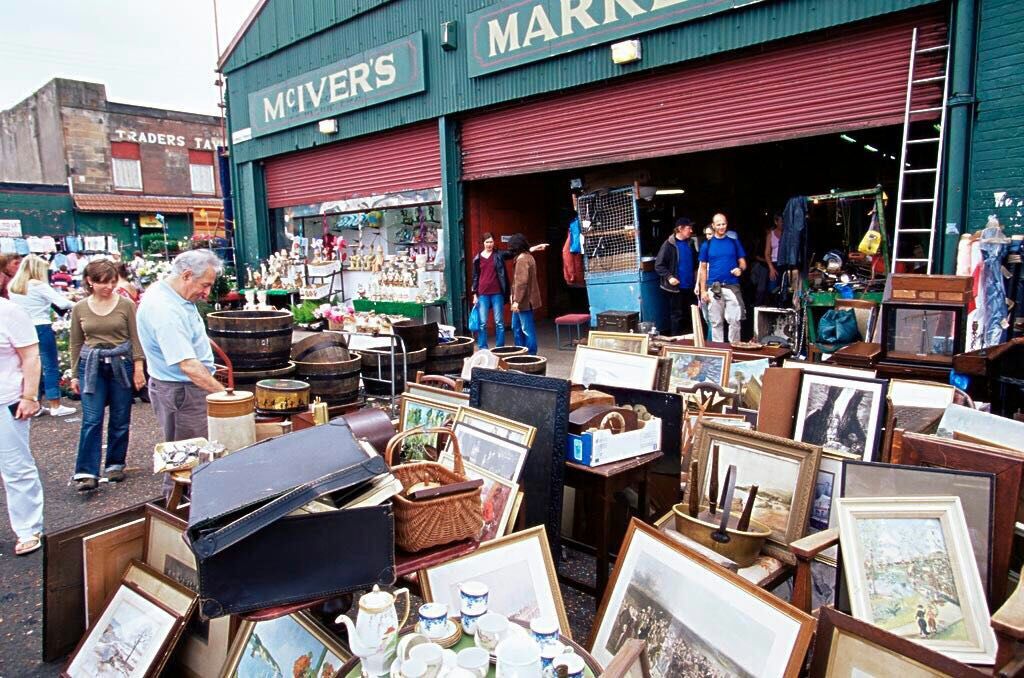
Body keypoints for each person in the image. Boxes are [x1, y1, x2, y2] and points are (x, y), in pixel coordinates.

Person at [69, 260, 146, 492]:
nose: (108, 287)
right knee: (92, 419)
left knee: (120, 417)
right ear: (90, 281)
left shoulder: (125, 305)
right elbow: (75, 342)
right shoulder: (80, 308)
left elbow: (135, 337)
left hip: (120, 363)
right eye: (102, 282)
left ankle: (115, 463)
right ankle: (86, 471)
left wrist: (139, 368)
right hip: (91, 364)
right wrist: (74, 375)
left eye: (111, 282)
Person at [137, 250, 224, 447]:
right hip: (183, 392)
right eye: (205, 285)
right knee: (188, 457)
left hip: (183, 389)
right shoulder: (165, 309)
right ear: (186, 275)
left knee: (193, 452)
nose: (207, 293)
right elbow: (188, 365)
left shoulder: (173, 294)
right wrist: (225, 395)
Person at [0, 295, 45, 555]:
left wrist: (29, 396)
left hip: (7, 399)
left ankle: (28, 528)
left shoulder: (10, 312)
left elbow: (30, 356)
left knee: (15, 466)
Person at [8, 255, 76, 416]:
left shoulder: (14, 286)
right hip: (41, 326)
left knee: (29, 365)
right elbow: (62, 303)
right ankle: (55, 404)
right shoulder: (37, 285)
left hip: (21, 328)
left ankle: (34, 401)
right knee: (50, 365)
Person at [698, 213, 747, 343]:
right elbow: (702, 268)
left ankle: (734, 350)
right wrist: (703, 290)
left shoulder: (734, 243)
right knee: (715, 322)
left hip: (732, 285)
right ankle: (719, 353)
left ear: (727, 224)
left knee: (735, 320)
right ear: (713, 226)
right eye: (718, 224)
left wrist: (740, 270)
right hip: (714, 286)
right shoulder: (706, 245)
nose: (721, 227)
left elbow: (743, 263)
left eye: (723, 224)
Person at [654, 217, 699, 336]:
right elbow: (659, 265)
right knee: (677, 315)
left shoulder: (690, 243)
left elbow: (696, 264)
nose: (691, 230)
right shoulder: (669, 244)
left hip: (691, 286)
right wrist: (670, 277)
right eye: (689, 228)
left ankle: (694, 339)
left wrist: (697, 281)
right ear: (680, 229)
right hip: (676, 287)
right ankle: (676, 342)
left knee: (692, 314)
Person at [471, 233, 510, 350]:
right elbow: (475, 277)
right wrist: (474, 294)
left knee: (499, 322)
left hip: (497, 292)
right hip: (482, 293)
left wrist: (530, 249)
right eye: (487, 242)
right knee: (482, 323)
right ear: (483, 243)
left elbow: (513, 253)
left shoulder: (498, 255)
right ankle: (483, 347)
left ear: (494, 243)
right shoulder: (477, 258)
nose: (489, 244)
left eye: (491, 242)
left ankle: (500, 347)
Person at [508, 234, 544, 355]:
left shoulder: (522, 259)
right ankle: (521, 352)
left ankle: (530, 355)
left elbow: (521, 282)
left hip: (524, 302)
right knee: (517, 327)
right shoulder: (528, 256)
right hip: (525, 301)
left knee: (525, 329)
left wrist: (516, 301)